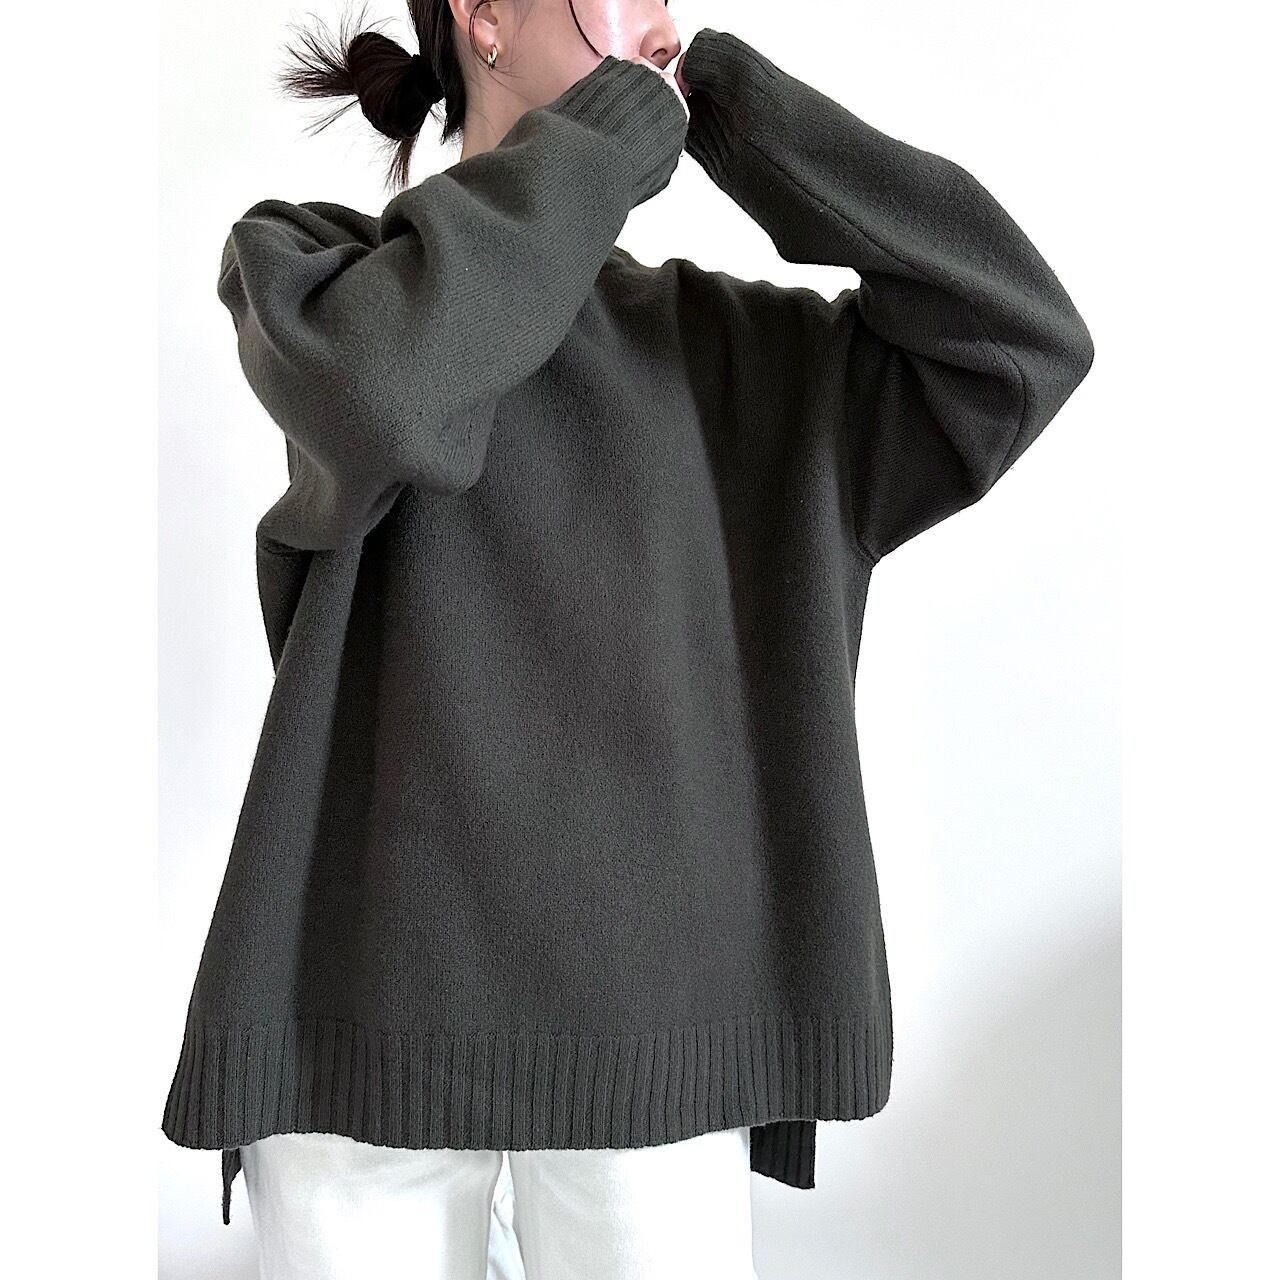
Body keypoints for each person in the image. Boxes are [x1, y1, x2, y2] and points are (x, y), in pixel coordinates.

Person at [161, 1, 1095, 1276]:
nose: (656, 22)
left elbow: (1020, 338)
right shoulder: (318, 276)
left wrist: (743, 117)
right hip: (352, 1033)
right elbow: (391, 394)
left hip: (653, 1048)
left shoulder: (745, 356)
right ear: (485, 22)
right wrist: (602, 146)